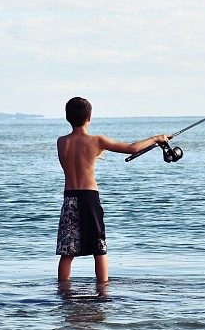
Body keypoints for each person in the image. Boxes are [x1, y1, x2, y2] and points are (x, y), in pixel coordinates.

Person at [56, 96, 170, 284]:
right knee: (99, 249)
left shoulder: (61, 142)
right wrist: (157, 138)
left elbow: (78, 157)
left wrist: (94, 154)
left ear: (68, 117)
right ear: (89, 118)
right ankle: (103, 291)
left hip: (69, 198)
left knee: (67, 251)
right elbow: (132, 148)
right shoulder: (96, 140)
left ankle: (63, 291)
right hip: (89, 198)